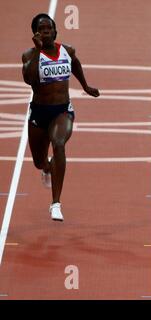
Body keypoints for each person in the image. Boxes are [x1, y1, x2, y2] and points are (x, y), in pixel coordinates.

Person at [22, 13, 99, 221]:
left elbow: (75, 64)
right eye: (41, 29)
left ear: (55, 31)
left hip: (62, 111)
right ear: (35, 33)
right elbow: (29, 79)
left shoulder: (67, 50)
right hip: (39, 113)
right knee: (39, 162)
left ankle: (55, 203)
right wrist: (39, 51)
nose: (46, 32)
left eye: (49, 28)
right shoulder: (29, 55)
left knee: (59, 144)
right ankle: (47, 168)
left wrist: (85, 86)